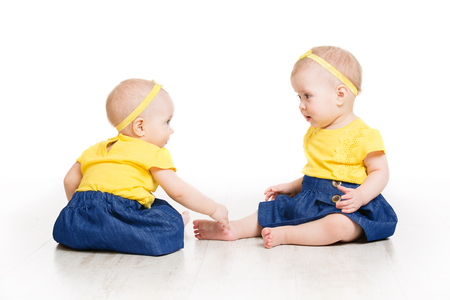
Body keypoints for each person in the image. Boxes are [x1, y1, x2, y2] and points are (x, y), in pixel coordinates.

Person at [193, 46, 397, 248]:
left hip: (348, 206)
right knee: (274, 209)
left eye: (307, 96)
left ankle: (287, 234)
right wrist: (293, 186)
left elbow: (380, 172)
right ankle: (235, 228)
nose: (301, 104)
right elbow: (320, 173)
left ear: (340, 95)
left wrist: (361, 196)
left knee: (338, 225)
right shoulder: (315, 132)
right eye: (298, 97)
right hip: (312, 200)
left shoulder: (364, 134)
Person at [53, 78, 229, 256]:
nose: (171, 129)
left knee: (151, 205)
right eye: (167, 122)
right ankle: (171, 225)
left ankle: (91, 233)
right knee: (165, 215)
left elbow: (69, 181)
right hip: (123, 215)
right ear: (140, 126)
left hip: (77, 223)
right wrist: (213, 208)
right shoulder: (153, 152)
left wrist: (84, 214)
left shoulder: (94, 149)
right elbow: (179, 192)